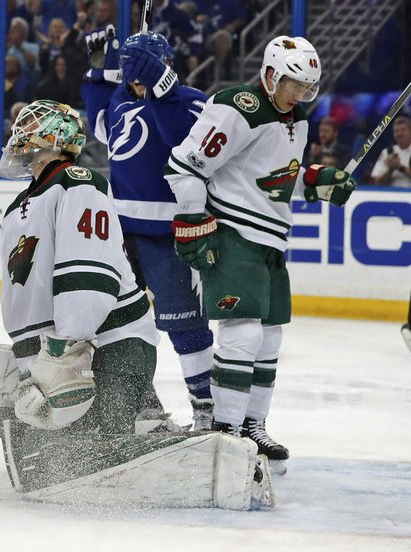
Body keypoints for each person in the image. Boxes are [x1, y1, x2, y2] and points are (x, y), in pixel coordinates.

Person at [164, 35, 356, 475]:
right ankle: (225, 434)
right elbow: (184, 166)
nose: (300, 95)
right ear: (269, 75)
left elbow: (278, 177)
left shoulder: (298, 118)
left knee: (269, 338)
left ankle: (253, 426)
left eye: (308, 88)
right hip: (233, 233)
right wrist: (192, 220)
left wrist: (318, 181)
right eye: (293, 85)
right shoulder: (238, 107)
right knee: (243, 334)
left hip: (271, 241)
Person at [0, 99, 159, 436]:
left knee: (104, 444)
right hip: (61, 347)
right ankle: (146, 417)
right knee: (54, 458)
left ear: (54, 134)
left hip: (114, 341)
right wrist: (28, 360)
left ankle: (145, 417)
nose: (19, 131)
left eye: (29, 124)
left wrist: (66, 346)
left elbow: (89, 272)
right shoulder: (18, 207)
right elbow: (22, 293)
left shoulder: (78, 182)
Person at [82, 26, 215, 430]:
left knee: (184, 322)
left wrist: (163, 87)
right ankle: (144, 403)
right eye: (130, 69)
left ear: (168, 66)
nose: (135, 77)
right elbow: (101, 122)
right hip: (120, 236)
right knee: (120, 321)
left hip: (170, 236)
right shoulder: (122, 100)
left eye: (144, 68)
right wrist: (97, 72)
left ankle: (207, 408)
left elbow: (182, 139)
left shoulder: (194, 102)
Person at [369, 116, 411, 186]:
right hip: (392, 194)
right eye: (396, 131)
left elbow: (399, 167)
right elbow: (376, 181)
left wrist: (400, 167)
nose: (400, 133)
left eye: (403, 130)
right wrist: (390, 169)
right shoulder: (387, 152)